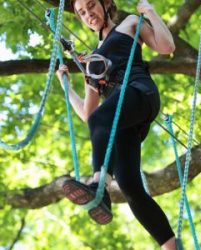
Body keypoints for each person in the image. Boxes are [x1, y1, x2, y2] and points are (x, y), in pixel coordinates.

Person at [56, 0, 176, 249]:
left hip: (140, 92)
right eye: (82, 12)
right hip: (122, 118)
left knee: (103, 119)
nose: (89, 14)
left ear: (105, 4)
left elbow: (166, 46)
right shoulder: (92, 62)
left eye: (92, 6)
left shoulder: (130, 24)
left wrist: (149, 12)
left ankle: (98, 185)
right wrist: (67, 88)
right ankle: (170, 245)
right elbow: (90, 115)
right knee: (130, 185)